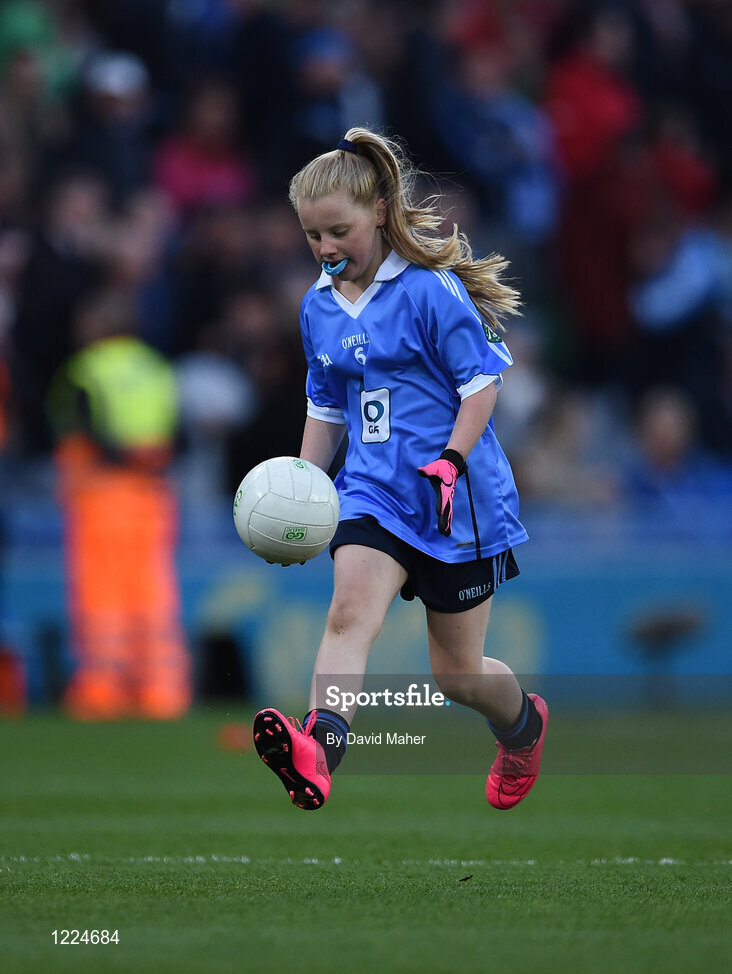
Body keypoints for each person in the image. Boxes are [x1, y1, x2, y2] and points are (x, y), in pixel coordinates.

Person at [252, 127, 548, 812]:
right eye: (312, 237)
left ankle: (524, 726)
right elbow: (326, 405)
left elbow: (481, 386)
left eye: (338, 231)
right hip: (373, 492)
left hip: (457, 501)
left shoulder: (431, 291)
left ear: (380, 212)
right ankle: (317, 751)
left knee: (458, 674)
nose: (326, 249)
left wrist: (449, 462)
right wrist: (304, 484)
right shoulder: (317, 306)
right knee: (350, 611)